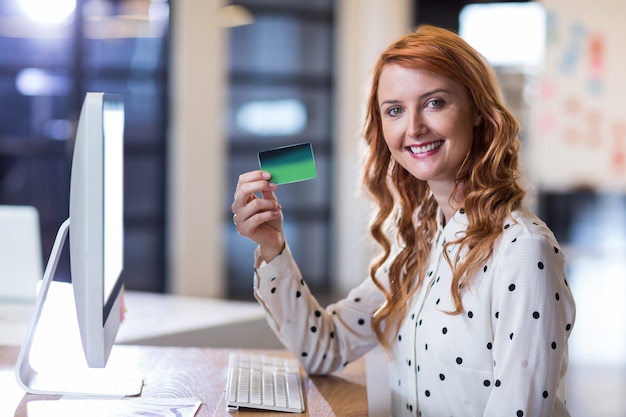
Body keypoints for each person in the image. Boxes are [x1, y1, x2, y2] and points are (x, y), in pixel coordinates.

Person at [231, 25, 576, 417]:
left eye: (434, 103)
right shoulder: (419, 241)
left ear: (477, 112)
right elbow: (324, 348)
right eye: (395, 110)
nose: (413, 128)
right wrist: (272, 248)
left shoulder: (523, 250)